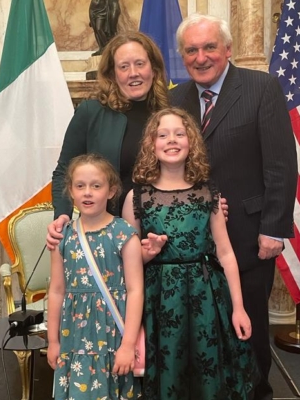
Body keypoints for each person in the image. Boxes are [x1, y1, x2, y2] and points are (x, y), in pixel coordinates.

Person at [169, 14, 298, 400]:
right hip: (193, 242)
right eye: (191, 50)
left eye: (209, 47)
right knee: (206, 327)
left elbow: (280, 164)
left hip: (248, 235)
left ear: (227, 49)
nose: (201, 56)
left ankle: (258, 391)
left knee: (250, 327)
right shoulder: (176, 99)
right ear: (182, 55)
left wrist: (274, 228)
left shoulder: (261, 88)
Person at [121, 107, 260, 400]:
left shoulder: (207, 192)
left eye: (179, 133)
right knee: (167, 369)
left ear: (191, 142)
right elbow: (128, 265)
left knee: (205, 371)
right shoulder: (137, 197)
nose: (171, 140)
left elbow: (225, 253)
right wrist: (150, 252)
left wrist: (238, 307)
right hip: (158, 299)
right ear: (151, 144)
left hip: (206, 296)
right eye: (162, 135)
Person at [47, 31, 169, 250]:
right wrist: (62, 215)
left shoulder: (171, 113)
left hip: (163, 235)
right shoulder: (90, 112)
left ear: (154, 69)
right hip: (107, 238)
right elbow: (64, 170)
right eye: (123, 67)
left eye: (140, 64)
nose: (133, 73)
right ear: (112, 74)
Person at [47, 153, 145, 399]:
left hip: (113, 335)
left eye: (96, 186)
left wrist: (128, 345)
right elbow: (57, 290)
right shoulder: (63, 237)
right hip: (75, 336)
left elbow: (135, 291)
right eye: (80, 186)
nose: (87, 192)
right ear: (71, 191)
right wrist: (53, 341)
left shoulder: (124, 234)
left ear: (111, 191)